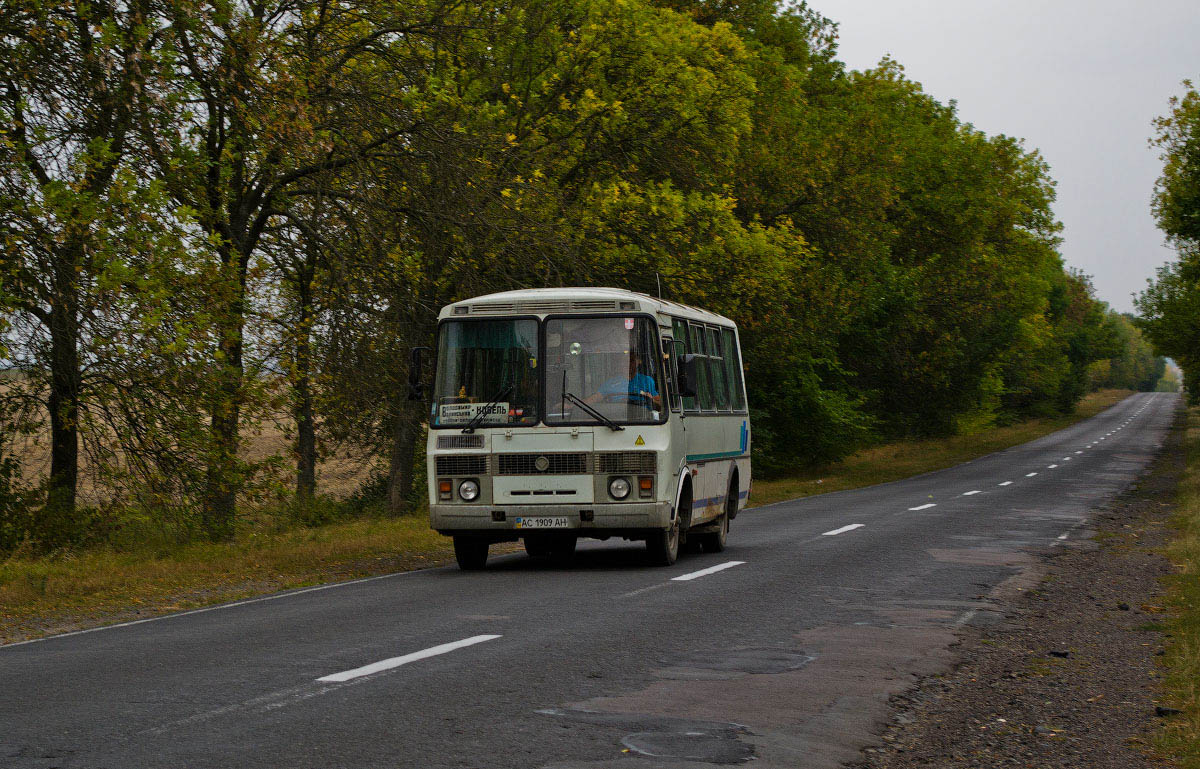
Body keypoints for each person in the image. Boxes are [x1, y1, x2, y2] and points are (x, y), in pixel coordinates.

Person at [588, 351, 661, 409]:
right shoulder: (611, 383)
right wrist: (578, 406)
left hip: (645, 423)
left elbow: (661, 405)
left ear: (637, 362)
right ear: (620, 363)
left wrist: (652, 400)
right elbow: (594, 399)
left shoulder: (647, 381)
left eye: (631, 360)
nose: (628, 363)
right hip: (617, 421)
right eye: (625, 361)